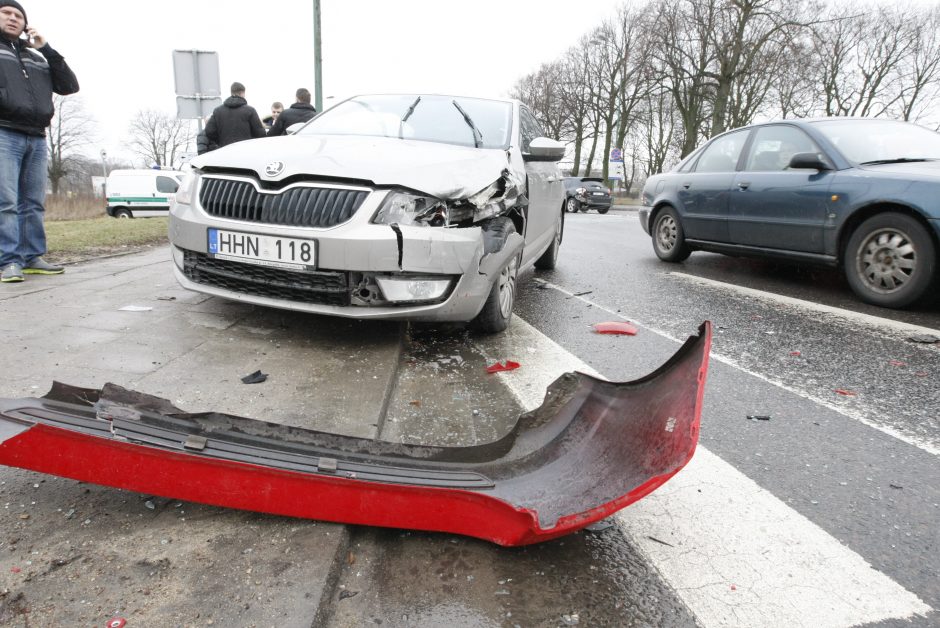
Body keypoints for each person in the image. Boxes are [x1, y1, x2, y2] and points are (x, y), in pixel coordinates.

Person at [0, 0, 79, 283]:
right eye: (6, 13)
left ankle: (32, 256)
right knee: (6, 201)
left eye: (18, 15)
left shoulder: (37, 57)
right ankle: (8, 261)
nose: (13, 18)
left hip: (36, 136)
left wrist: (45, 48)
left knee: (33, 202)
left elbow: (69, 86)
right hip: (4, 133)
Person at [204, 82, 265, 149]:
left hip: (224, 150)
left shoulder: (218, 111)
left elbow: (209, 131)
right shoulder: (250, 110)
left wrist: (220, 141)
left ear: (231, 92)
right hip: (246, 151)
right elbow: (260, 134)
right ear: (242, 93)